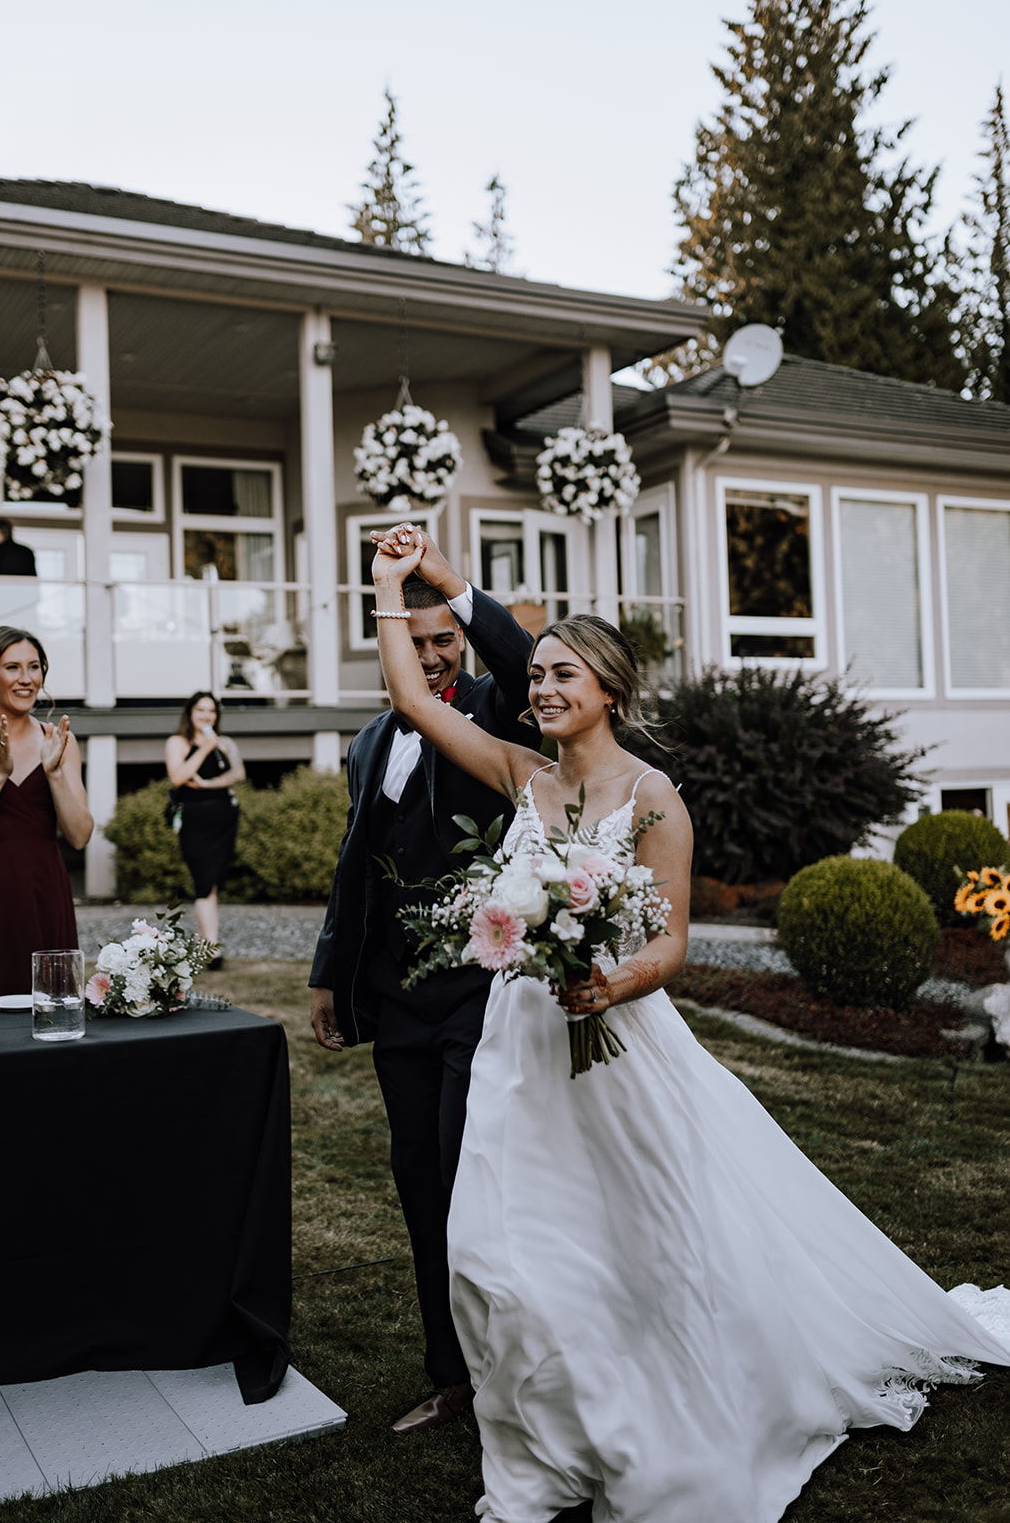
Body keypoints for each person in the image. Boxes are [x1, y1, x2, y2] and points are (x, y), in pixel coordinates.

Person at [371, 533, 1010, 1523]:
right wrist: (382, 582)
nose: (539, 688)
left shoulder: (650, 798)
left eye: (559, 673)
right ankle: (547, 1427)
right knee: (503, 1247)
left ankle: (665, 1406)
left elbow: (668, 947)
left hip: (615, 1044)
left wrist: (609, 979)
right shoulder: (520, 779)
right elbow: (412, 699)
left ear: (608, 690)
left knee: (641, 1240)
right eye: (533, 673)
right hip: (517, 1051)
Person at [309, 526, 538, 1435]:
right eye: (420, 640)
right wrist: (331, 973)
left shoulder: (504, 706)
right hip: (398, 992)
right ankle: (450, 1379)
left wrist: (451, 585)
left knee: (472, 1178)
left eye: (446, 638)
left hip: (482, 991)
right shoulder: (368, 741)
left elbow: (521, 660)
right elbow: (353, 863)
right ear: (391, 642)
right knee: (417, 1183)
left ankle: (511, 1372)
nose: (436, 654)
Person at [0, 626, 92, 994]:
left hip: (44, 891)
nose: (27, 679)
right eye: (12, 667)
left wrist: (54, 774)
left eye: (35, 667)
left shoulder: (59, 743)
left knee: (50, 1011)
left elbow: (79, 835)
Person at [165, 692, 245, 966]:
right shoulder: (178, 742)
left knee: (212, 883)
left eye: (211, 711)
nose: (206, 716)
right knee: (202, 880)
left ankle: (206, 942)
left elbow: (238, 774)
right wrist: (204, 748)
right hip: (194, 820)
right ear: (190, 713)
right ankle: (211, 950)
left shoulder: (225, 742)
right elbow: (178, 776)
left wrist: (208, 784)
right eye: (201, 710)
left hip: (223, 817)